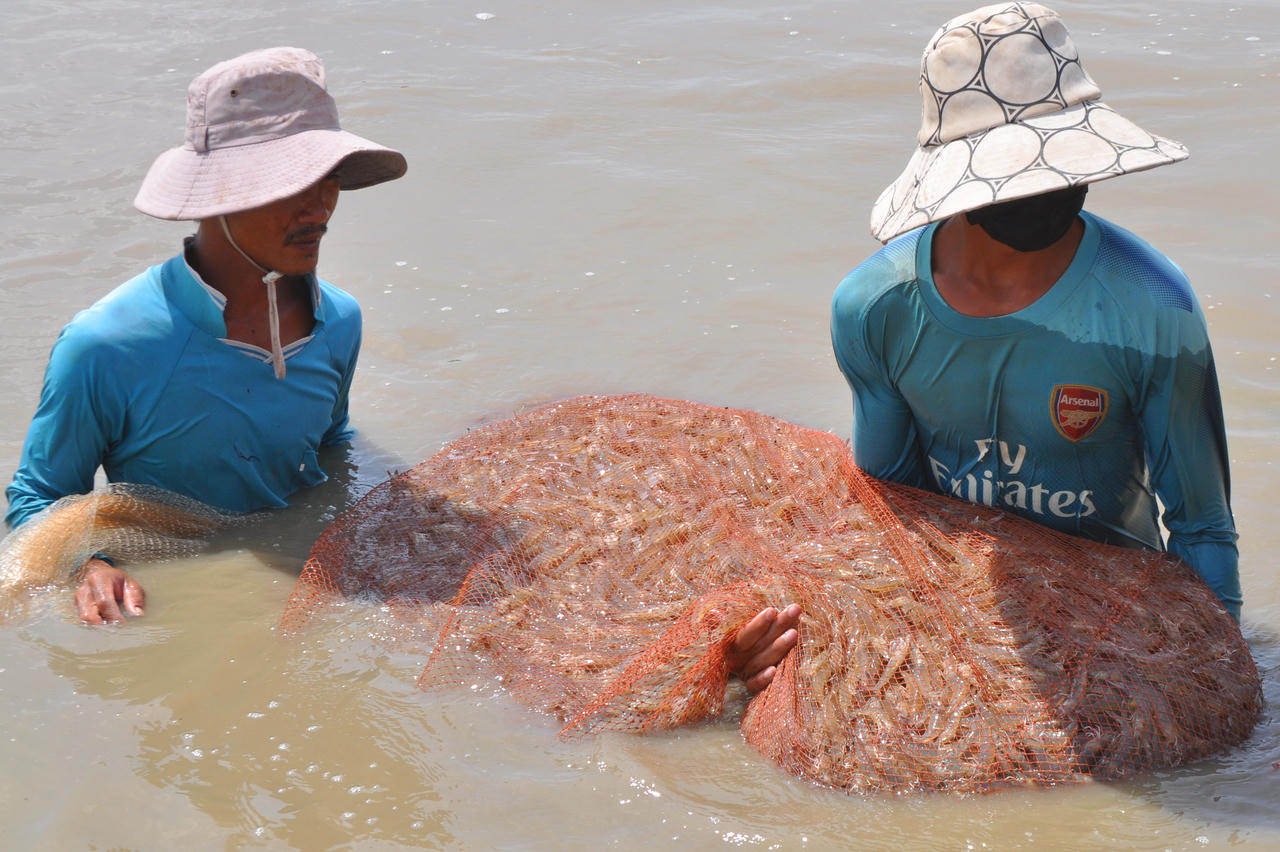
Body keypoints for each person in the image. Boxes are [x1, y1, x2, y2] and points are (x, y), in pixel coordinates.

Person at [830, 3, 1240, 618]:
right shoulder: (877, 308)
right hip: (967, 605)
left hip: (1118, 613)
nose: (1049, 189)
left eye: (1062, 166)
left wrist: (1218, 672)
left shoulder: (1151, 307)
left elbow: (1202, 529)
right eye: (1021, 174)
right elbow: (896, 510)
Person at [5, 47, 407, 624]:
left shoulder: (339, 321)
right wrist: (88, 567)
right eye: (291, 184)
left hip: (302, 594)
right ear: (220, 194)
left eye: (329, 180)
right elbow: (38, 499)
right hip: (173, 598)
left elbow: (331, 446)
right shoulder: (106, 345)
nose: (320, 208)